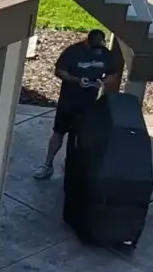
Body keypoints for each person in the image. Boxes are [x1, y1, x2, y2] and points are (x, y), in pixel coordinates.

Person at [34, 29, 117, 179]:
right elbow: (59, 71)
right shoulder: (73, 52)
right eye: (94, 48)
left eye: (100, 48)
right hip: (68, 101)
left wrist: (102, 83)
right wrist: (77, 80)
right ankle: (48, 164)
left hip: (89, 104)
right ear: (87, 42)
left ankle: (71, 164)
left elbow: (113, 73)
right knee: (58, 132)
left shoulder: (106, 54)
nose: (98, 52)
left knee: (81, 137)